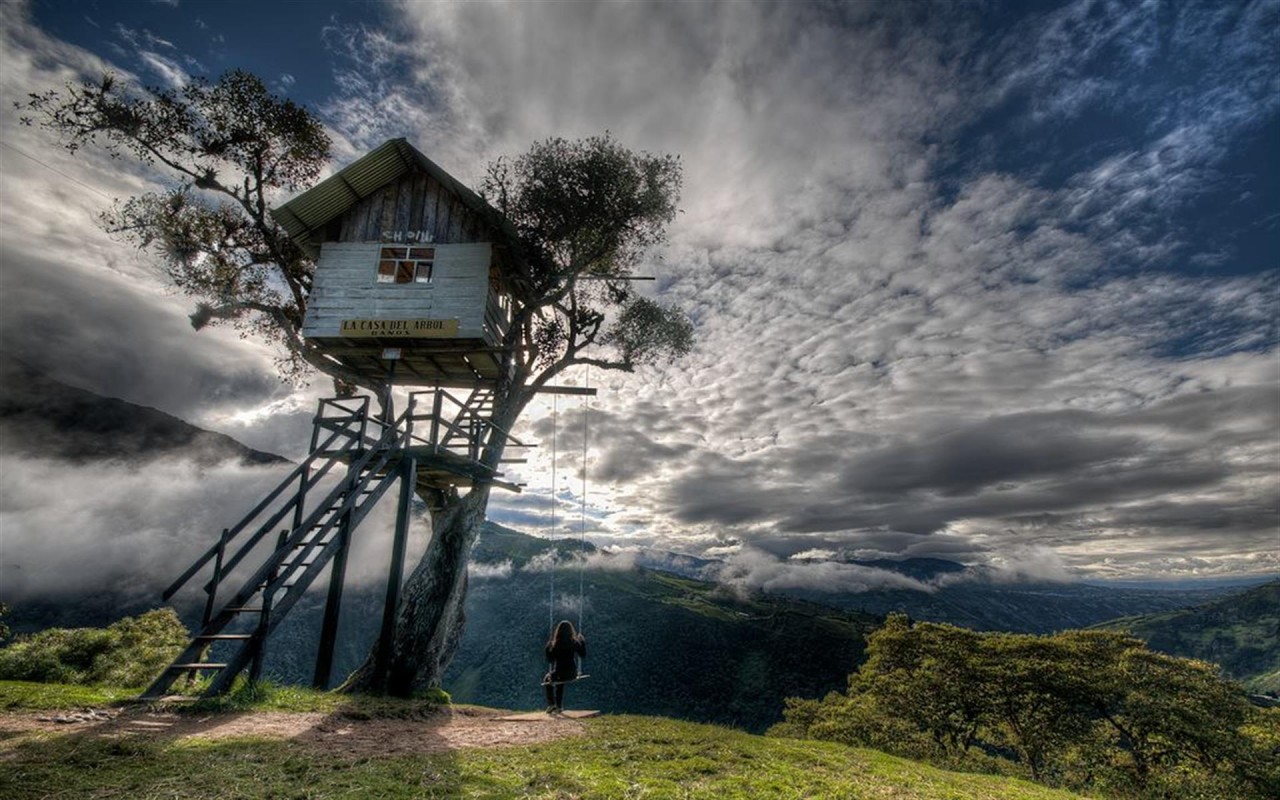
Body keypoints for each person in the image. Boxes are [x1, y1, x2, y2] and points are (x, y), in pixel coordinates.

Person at [543, 619, 586, 713]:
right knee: (560, 682)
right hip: (572, 673)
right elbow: (582, 654)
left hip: (558, 673)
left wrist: (547, 648)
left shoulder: (555, 644)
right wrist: (582, 642)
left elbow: (550, 660)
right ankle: (559, 706)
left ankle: (552, 704)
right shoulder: (574, 642)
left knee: (547, 679)